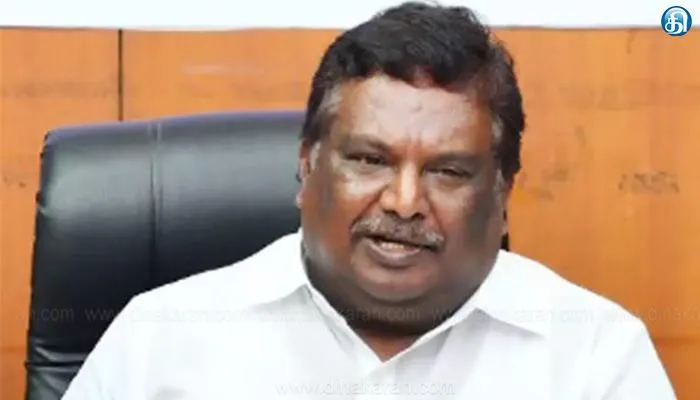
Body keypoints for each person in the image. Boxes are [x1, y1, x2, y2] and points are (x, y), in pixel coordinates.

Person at [61, 2, 676, 399]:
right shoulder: (160, 341)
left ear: (501, 193)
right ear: (307, 166)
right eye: (370, 160)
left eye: (448, 171)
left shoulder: (595, 357)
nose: (405, 203)